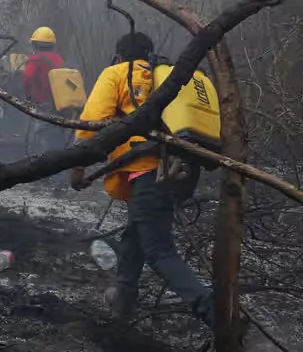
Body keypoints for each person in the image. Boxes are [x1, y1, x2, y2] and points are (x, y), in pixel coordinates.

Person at [69, 32, 215, 326]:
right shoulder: (168, 77)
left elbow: (91, 122)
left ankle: (215, 311)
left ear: (119, 57)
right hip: (184, 171)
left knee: (159, 251)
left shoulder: (119, 73)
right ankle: (123, 297)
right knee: (135, 233)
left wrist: (77, 166)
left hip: (152, 172)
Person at [21, 26, 72, 156]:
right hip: (61, 106)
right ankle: (61, 164)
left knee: (43, 138)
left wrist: (27, 97)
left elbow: (28, 78)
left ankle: (48, 167)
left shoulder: (35, 60)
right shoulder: (59, 60)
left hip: (44, 105)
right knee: (57, 136)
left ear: (34, 45)